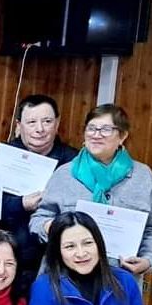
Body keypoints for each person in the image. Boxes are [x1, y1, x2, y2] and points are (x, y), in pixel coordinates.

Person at [29, 104, 152, 279]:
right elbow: (38, 219)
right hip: (64, 277)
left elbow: (150, 229)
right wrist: (50, 227)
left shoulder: (143, 176)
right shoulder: (64, 173)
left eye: (106, 129)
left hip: (119, 278)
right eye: (91, 128)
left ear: (123, 136)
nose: (96, 135)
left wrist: (147, 261)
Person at [0, 95, 78, 292]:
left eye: (47, 121)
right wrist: (21, 204)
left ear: (57, 123)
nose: (40, 129)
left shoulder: (73, 162)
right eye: (32, 122)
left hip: (56, 261)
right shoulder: (2, 155)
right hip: (7, 259)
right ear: (19, 125)